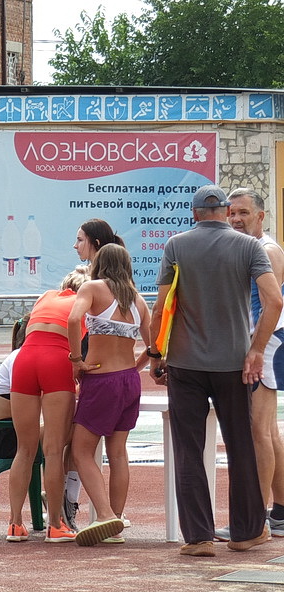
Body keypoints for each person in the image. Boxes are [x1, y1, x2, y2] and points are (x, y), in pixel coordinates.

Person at [150, 185, 282, 557]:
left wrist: (156, 354)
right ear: (225, 211)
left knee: (189, 449)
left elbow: (160, 307)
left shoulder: (176, 245)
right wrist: (256, 349)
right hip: (234, 364)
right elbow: (275, 300)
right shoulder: (249, 247)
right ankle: (246, 532)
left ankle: (199, 538)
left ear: (194, 214)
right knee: (241, 447)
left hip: (185, 363)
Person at [67, 244, 151, 546]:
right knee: (118, 453)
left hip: (101, 380)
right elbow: (155, 348)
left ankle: (104, 514)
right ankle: (116, 522)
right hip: (129, 380)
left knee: (80, 450)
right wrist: (134, 369)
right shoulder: (138, 300)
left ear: (99, 264)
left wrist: (76, 360)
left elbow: (73, 319)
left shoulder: (92, 288)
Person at [5, 266, 90, 543]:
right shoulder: (85, 302)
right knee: (53, 451)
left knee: (24, 449)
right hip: (56, 360)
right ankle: (55, 525)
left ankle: (15, 524)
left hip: (25, 360)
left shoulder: (45, 296)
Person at [221, 188, 284, 540]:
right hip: (265, 342)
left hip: (266, 343)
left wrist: (254, 349)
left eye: (243, 213)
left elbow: (270, 304)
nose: (235, 219)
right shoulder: (250, 248)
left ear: (261, 216)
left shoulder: (266, 251)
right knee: (268, 430)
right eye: (231, 213)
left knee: (257, 431)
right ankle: (280, 513)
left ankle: (254, 520)